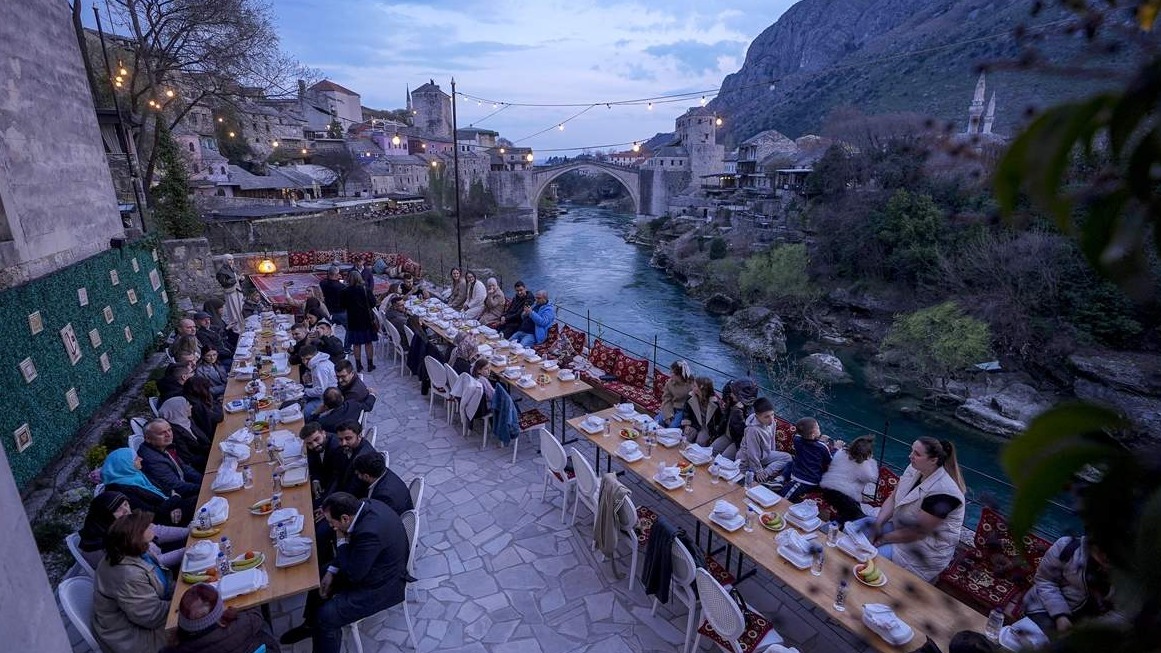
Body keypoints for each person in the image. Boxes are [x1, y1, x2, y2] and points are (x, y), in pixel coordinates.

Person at [279, 493, 410, 653]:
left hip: (382, 585)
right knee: (321, 574)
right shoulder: (361, 506)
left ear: (345, 518)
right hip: (369, 565)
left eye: (331, 522)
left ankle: (320, 627)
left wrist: (340, 541)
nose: (331, 527)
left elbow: (354, 575)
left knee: (326, 617)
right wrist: (332, 571)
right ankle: (310, 625)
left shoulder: (370, 533)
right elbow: (353, 555)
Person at [852, 437, 967, 582]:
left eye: (917, 454)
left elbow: (917, 533)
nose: (910, 456)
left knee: (870, 560)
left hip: (923, 550)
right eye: (912, 450)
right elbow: (893, 498)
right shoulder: (914, 468)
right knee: (860, 525)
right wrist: (878, 525)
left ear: (933, 460)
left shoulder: (945, 493)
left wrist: (882, 539)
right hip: (902, 529)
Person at [92, 510, 173, 653]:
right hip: (135, 638)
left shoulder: (135, 551)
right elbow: (152, 616)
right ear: (135, 536)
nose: (152, 528)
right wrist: (183, 601)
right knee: (200, 625)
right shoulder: (127, 575)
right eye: (147, 527)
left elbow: (162, 583)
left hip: (145, 618)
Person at [1022, 534, 1115, 634]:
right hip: (1045, 606)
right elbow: (1045, 580)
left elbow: (1121, 612)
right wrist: (1060, 615)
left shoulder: (1128, 574)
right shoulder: (1067, 548)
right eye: (1101, 551)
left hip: (1088, 621)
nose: (1105, 558)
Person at [78, 490, 188, 570]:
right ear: (107, 516)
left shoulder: (125, 523)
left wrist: (189, 531)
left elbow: (157, 531)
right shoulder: (111, 545)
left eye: (126, 504)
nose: (126, 510)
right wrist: (188, 551)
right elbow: (151, 565)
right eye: (118, 509)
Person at [162, 583, 281, 653]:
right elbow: (256, 615)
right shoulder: (244, 624)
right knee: (264, 626)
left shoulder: (176, 649)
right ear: (219, 613)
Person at [101, 448, 196, 527]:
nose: (141, 459)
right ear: (124, 465)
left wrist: (175, 502)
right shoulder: (122, 491)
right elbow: (150, 513)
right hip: (162, 522)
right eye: (136, 458)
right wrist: (175, 499)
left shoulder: (137, 474)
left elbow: (165, 488)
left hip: (172, 507)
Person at [781, 416, 843, 503]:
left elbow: (806, 440)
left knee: (790, 463)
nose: (819, 428)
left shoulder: (797, 439)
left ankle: (780, 479)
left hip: (797, 471)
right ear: (813, 434)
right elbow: (831, 460)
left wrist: (817, 438)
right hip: (807, 480)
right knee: (784, 495)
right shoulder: (822, 447)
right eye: (818, 427)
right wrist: (836, 448)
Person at [138, 418, 204, 498]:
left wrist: (203, 481)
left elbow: (185, 468)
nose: (168, 435)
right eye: (162, 433)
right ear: (148, 439)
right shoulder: (152, 459)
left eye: (169, 430)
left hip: (187, 485)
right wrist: (203, 487)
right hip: (180, 497)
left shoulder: (163, 446)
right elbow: (176, 486)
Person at [819, 435, 879, 523]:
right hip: (843, 495)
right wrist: (871, 461)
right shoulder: (863, 466)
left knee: (850, 510)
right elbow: (873, 477)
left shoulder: (841, 452)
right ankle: (832, 526)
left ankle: (837, 524)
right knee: (859, 517)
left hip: (827, 489)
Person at [736, 397, 793, 484]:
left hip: (764, 455)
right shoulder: (753, 430)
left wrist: (772, 454)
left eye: (772, 414)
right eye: (766, 416)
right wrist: (758, 470)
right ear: (757, 416)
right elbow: (752, 452)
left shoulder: (772, 422)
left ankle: (765, 474)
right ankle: (759, 476)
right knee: (745, 482)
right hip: (747, 459)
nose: (771, 419)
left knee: (787, 457)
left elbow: (772, 439)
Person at [158, 396, 212, 471]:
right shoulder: (174, 433)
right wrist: (212, 455)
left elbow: (204, 439)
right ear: (179, 411)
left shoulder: (186, 420)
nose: (191, 407)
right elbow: (188, 458)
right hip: (204, 464)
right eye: (187, 405)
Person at [352, 451, 414, 516]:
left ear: (366, 476)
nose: (357, 475)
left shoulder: (384, 496)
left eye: (358, 473)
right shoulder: (383, 471)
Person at [326, 420, 377, 497]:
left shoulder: (363, 459)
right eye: (340, 439)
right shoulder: (346, 448)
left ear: (359, 436)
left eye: (348, 438)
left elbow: (353, 489)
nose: (343, 443)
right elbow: (337, 472)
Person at [341, 270, 378, 372]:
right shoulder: (366, 289)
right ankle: (370, 364)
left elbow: (343, 306)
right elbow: (373, 303)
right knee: (368, 343)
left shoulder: (345, 291)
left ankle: (358, 365)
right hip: (366, 320)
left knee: (356, 344)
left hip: (353, 320)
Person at [682, 376, 726, 450]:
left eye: (695, 385)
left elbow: (719, 419)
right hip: (694, 423)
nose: (693, 386)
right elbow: (686, 412)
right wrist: (687, 425)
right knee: (686, 437)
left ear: (701, 388)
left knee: (700, 442)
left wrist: (714, 431)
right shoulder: (690, 397)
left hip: (706, 427)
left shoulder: (714, 403)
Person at [722, 377, 759, 458]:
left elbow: (743, 433)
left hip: (740, 442)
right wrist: (730, 386)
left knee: (724, 457)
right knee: (713, 449)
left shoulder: (751, 413)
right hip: (728, 435)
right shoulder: (732, 401)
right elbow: (725, 395)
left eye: (733, 393)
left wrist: (737, 412)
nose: (731, 394)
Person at [298, 422, 340, 493]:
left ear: (323, 433)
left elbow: (336, 478)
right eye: (309, 443)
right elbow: (314, 463)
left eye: (316, 439)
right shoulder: (310, 443)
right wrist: (316, 479)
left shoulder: (336, 448)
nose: (314, 445)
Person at [301, 344, 338, 420]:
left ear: (315, 355)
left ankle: (311, 425)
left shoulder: (320, 368)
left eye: (308, 359)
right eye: (303, 359)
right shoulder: (320, 361)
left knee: (306, 411)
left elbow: (321, 390)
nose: (305, 362)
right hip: (326, 393)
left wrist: (305, 391)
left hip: (328, 398)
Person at [183, 376, 223, 443]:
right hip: (213, 436)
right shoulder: (196, 405)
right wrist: (217, 404)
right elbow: (219, 417)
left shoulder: (190, 398)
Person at [656, 360, 693, 429]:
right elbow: (666, 399)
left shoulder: (691, 385)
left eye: (672, 373)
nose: (670, 374)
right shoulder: (670, 383)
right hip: (670, 406)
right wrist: (668, 415)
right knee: (658, 421)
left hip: (682, 410)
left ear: (679, 375)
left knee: (673, 427)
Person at [215, 254, 246, 332]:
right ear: (225, 261)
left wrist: (241, 279)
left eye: (232, 259)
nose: (231, 261)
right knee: (234, 309)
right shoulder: (221, 272)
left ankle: (243, 325)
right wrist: (236, 279)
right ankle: (237, 328)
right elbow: (224, 283)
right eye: (229, 260)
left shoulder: (233, 269)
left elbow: (237, 279)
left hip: (238, 290)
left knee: (241, 308)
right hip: (230, 293)